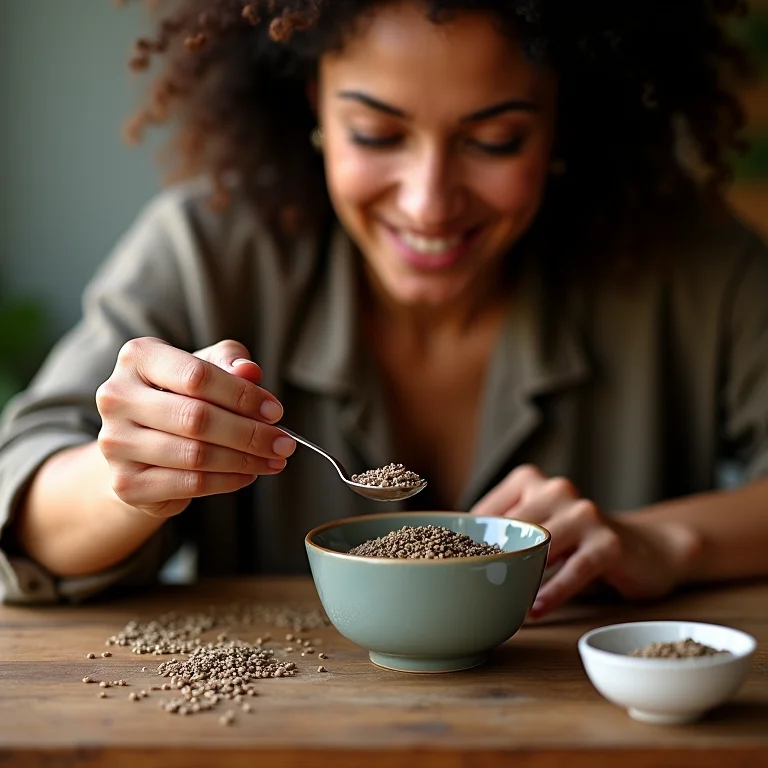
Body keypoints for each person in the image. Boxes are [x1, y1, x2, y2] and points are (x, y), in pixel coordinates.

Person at [1, 0, 766, 616]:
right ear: (315, 107)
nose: (429, 202)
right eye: (376, 133)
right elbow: (21, 496)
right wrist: (123, 479)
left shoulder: (693, 268)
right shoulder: (207, 250)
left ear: (562, 118)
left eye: (496, 140)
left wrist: (667, 541)